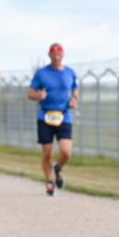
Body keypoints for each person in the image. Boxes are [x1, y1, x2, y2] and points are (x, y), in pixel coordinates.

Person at [27, 43, 79, 196]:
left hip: (64, 115)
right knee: (47, 153)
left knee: (66, 151)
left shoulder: (70, 72)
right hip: (45, 116)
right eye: (53, 54)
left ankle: (58, 168)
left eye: (59, 54)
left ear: (62, 55)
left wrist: (74, 99)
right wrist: (38, 95)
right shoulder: (41, 73)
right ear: (49, 55)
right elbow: (30, 93)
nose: (56, 57)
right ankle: (49, 181)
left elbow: (75, 88)